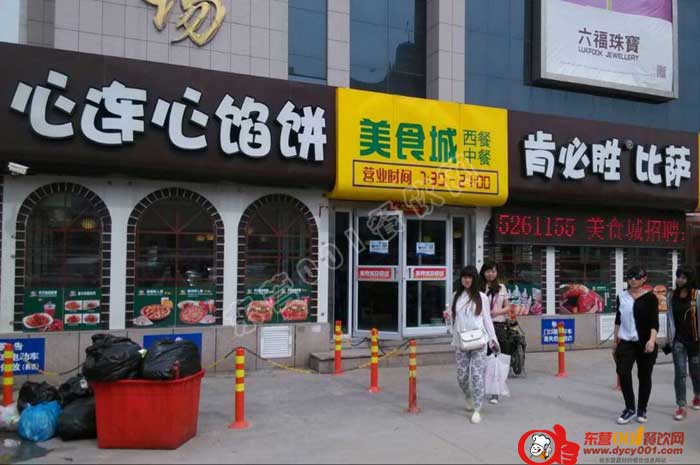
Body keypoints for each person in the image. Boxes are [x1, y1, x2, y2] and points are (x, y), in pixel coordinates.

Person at [444, 265, 499, 424]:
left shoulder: (482, 297)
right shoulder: (455, 296)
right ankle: (468, 394)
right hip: (461, 342)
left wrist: (493, 339)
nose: (467, 280)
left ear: (474, 279)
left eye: (470, 277)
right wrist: (448, 316)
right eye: (464, 277)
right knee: (461, 377)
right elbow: (452, 316)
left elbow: (487, 320)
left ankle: (477, 408)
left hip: (479, 342)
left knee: (476, 375)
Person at [613, 266, 659, 424]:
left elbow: (654, 322)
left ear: (644, 278)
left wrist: (652, 340)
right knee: (623, 371)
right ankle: (630, 408)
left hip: (645, 342)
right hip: (626, 342)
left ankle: (642, 409)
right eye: (630, 276)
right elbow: (618, 319)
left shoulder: (651, 298)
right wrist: (615, 342)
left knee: (644, 376)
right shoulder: (621, 296)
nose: (633, 279)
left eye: (637, 277)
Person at [664, 267, 700, 421]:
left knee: (696, 372)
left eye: (683, 277)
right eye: (678, 276)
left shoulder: (697, 295)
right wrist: (668, 339)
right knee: (680, 373)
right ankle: (681, 405)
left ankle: (697, 395)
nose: (680, 280)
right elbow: (669, 319)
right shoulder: (671, 296)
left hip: (696, 341)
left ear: (689, 279)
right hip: (678, 341)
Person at [480, 261, 509, 405]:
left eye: (493, 271)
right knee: (483, 358)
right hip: (482, 327)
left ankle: (495, 392)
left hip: (497, 325)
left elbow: (508, 307)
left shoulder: (501, 288)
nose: (491, 274)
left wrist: (497, 312)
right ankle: (481, 387)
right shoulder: (479, 288)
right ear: (483, 272)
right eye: (488, 271)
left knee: (495, 358)